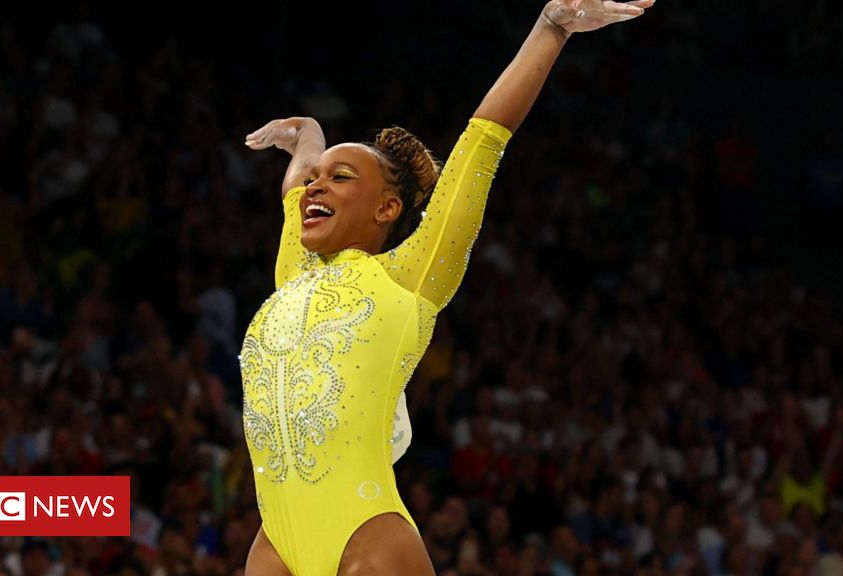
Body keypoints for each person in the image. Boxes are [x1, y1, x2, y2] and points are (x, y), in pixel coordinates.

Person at [240, 1, 655, 574]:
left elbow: (483, 139)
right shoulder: (294, 273)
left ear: (388, 207)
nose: (317, 187)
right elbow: (296, 186)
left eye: (341, 177)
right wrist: (307, 138)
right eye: (317, 179)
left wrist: (551, 28)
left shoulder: (410, 274)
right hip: (276, 542)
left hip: (366, 537)